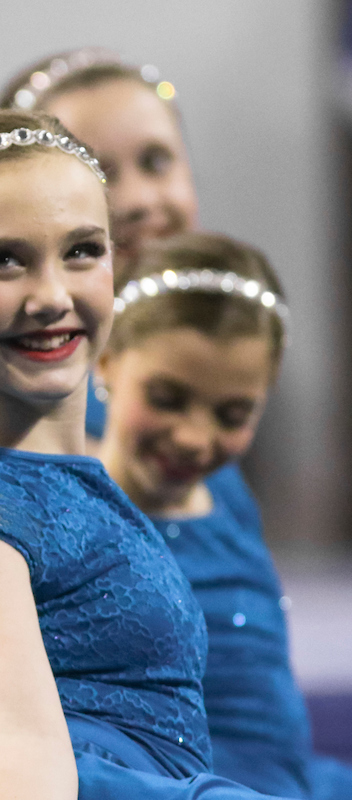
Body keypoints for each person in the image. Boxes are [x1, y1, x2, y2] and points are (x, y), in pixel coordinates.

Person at [0, 109, 293, 798]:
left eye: (81, 251)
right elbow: (17, 762)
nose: (52, 295)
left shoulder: (64, 486)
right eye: (1, 260)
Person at [95, 232, 352, 799]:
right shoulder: (70, 507)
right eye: (166, 398)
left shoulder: (228, 494)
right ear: (107, 360)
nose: (194, 438)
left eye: (232, 414)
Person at [0, 47, 200, 440]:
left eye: (156, 162)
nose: (138, 201)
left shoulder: (224, 357)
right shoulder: (20, 410)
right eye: (98, 173)